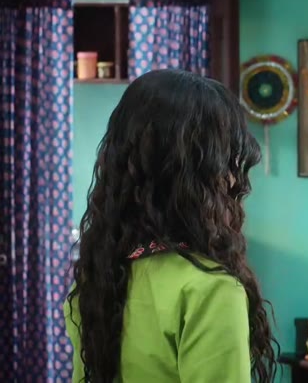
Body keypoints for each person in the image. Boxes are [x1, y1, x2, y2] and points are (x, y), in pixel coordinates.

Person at [64, 69, 278, 383]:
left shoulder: (97, 278)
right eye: (227, 162)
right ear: (202, 177)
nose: (233, 180)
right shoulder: (210, 290)